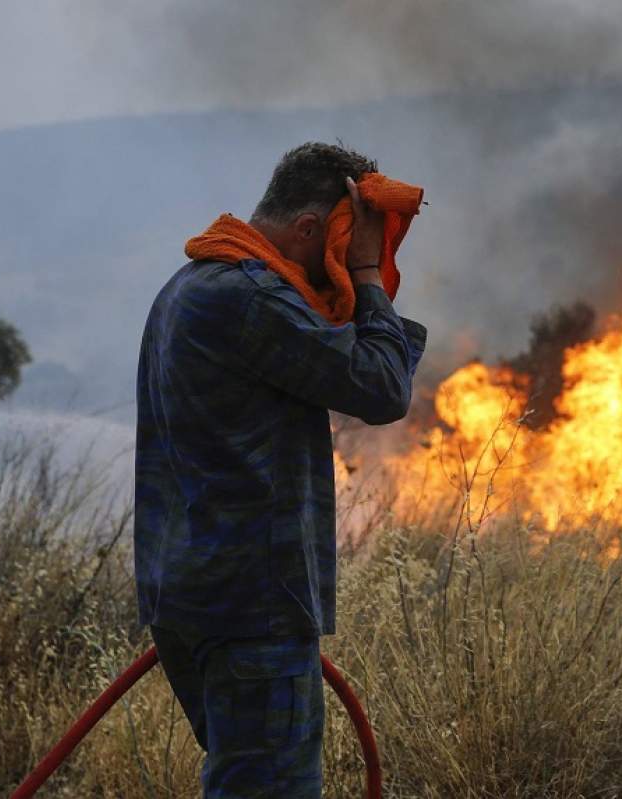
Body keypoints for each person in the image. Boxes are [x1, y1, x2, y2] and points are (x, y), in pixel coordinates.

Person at [133, 142, 426, 798]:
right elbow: (382, 386)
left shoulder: (189, 285)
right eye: (353, 241)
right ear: (311, 229)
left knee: (246, 780)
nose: (358, 259)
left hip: (197, 596)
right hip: (253, 606)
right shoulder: (248, 297)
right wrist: (368, 279)